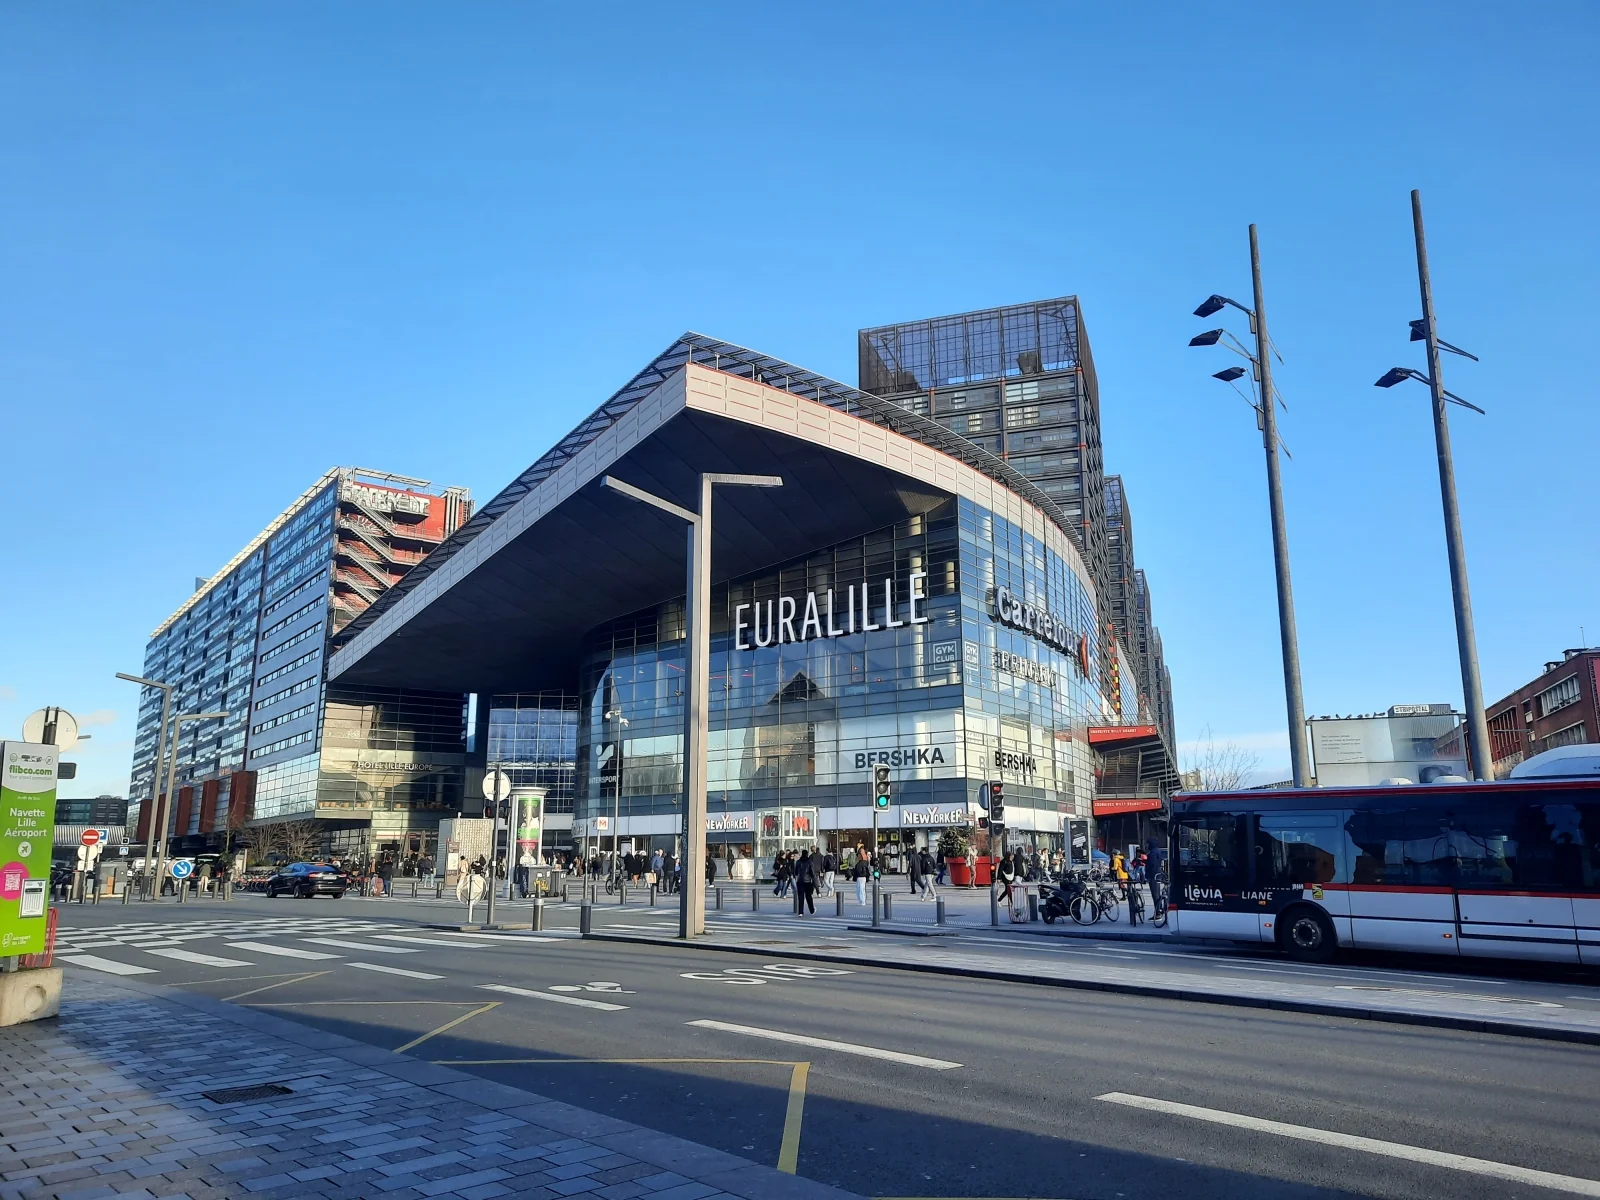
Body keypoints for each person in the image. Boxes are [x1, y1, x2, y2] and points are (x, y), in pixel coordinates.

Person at [794, 848, 816, 915]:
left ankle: (800, 912)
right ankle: (811, 910)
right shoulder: (810, 862)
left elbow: (796, 872)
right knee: (808, 896)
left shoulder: (798, 862)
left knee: (800, 897)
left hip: (799, 881)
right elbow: (812, 873)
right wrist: (813, 880)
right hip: (807, 881)